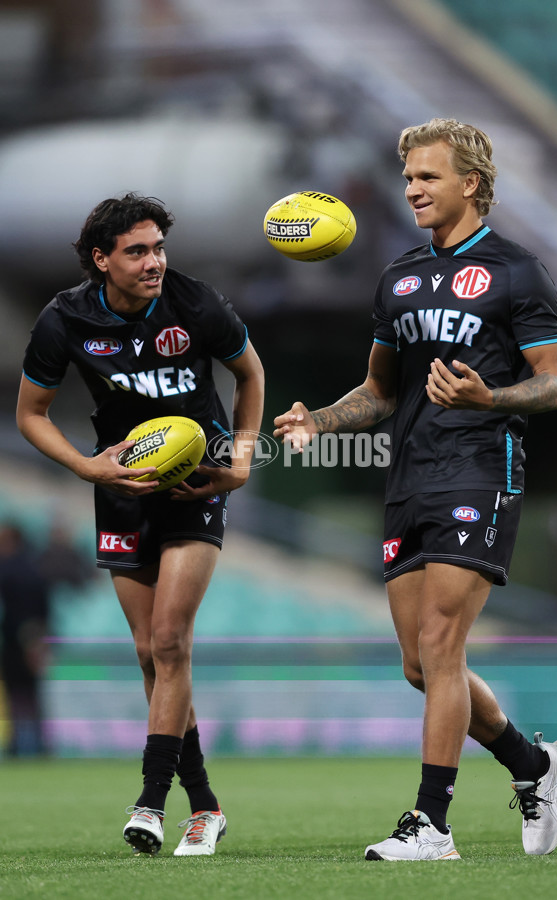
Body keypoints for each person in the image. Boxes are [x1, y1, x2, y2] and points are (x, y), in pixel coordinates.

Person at [274, 118, 557, 861]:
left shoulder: (518, 271)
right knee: (420, 665)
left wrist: (490, 400)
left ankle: (430, 825)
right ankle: (535, 769)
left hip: (482, 467)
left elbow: (556, 384)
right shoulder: (399, 276)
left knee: (444, 644)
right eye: (408, 176)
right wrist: (320, 419)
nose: (411, 187)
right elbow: (379, 391)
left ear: (470, 184)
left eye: (427, 176)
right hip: (410, 474)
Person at [17, 193, 264, 857]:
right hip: (121, 491)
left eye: (158, 247)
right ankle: (205, 805)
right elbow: (31, 414)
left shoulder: (195, 303)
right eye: (137, 251)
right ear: (102, 260)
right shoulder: (64, 318)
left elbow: (249, 372)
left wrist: (240, 457)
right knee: (150, 656)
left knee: (170, 639)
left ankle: (151, 802)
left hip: (195, 482)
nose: (154, 261)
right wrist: (86, 469)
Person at [0, 523, 50, 757]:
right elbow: (45, 607)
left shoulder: (7, 568)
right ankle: (38, 744)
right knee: (33, 694)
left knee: (15, 693)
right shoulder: (35, 567)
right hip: (36, 636)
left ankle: (18, 744)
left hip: (15, 638)